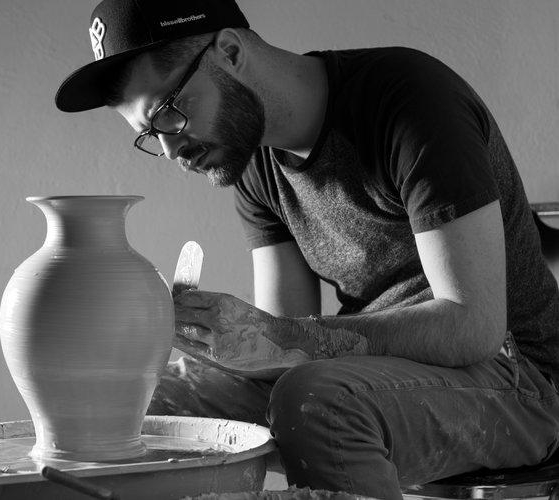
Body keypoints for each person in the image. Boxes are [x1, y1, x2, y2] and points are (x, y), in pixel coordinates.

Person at [55, 0, 559, 498]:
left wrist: (277, 334)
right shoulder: (252, 162)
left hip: (519, 378)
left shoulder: (408, 99)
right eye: (149, 135)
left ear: (229, 52)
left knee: (317, 400)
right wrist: (210, 337)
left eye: (167, 113)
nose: (169, 150)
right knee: (150, 394)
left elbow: (474, 326)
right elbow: (282, 342)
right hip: (379, 373)